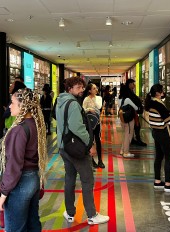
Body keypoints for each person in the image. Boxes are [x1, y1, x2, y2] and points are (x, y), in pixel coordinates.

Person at [56, 76, 109, 225]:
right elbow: (77, 127)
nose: (81, 90)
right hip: (76, 148)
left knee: (70, 179)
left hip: (64, 146)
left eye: (82, 87)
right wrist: (90, 143)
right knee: (87, 179)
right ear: (70, 88)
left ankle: (70, 212)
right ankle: (92, 215)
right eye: (78, 87)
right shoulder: (73, 104)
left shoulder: (60, 101)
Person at [0, 88, 48, 231]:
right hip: (34, 178)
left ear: (22, 106)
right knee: (32, 224)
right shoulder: (36, 124)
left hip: (21, 183)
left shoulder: (18, 130)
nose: (9, 106)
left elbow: (14, 166)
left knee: (15, 228)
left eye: (12, 103)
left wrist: (3, 194)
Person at [144, 84, 170, 192]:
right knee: (168, 157)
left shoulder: (150, 103)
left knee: (159, 156)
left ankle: (157, 181)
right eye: (162, 91)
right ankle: (168, 184)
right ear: (158, 93)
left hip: (155, 132)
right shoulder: (159, 105)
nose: (163, 92)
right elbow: (169, 121)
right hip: (163, 133)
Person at [82, 83, 105, 168]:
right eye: (94, 88)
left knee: (98, 140)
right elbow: (83, 109)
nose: (96, 90)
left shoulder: (99, 98)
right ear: (89, 90)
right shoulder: (86, 99)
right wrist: (89, 109)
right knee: (90, 140)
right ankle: (91, 160)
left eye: (96, 88)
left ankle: (100, 160)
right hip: (89, 123)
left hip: (97, 122)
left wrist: (94, 98)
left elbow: (99, 106)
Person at [118, 84, 138, 158]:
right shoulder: (127, 99)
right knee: (128, 134)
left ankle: (122, 150)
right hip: (129, 119)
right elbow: (135, 108)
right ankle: (126, 152)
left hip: (122, 118)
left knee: (125, 134)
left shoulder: (119, 99)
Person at [125, 79, 147, 146]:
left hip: (133, 111)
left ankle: (133, 139)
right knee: (136, 126)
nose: (134, 85)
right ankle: (137, 140)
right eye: (133, 84)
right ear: (129, 84)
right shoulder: (127, 92)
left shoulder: (130, 91)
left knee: (135, 126)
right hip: (131, 112)